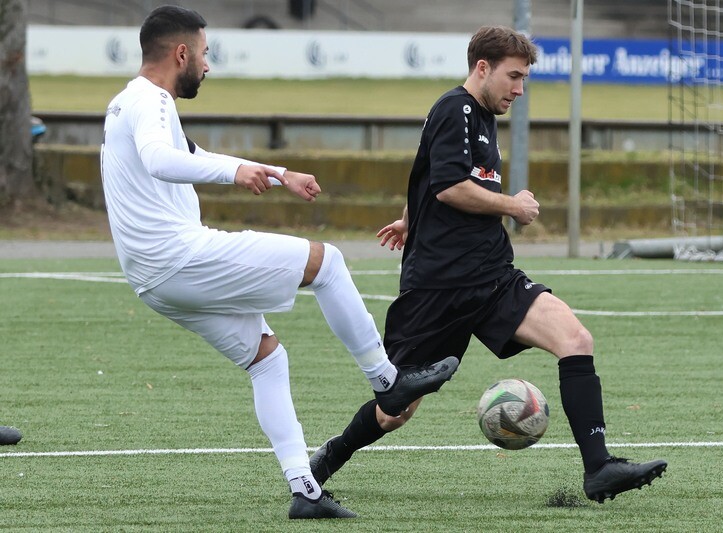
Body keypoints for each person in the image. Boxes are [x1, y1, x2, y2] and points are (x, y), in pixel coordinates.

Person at [100, 5, 458, 520]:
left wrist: (276, 171)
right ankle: (388, 380)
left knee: (267, 359)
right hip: (178, 257)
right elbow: (159, 160)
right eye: (204, 53)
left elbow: (189, 155)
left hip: (151, 279)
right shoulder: (151, 100)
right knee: (326, 262)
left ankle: (305, 491)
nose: (208, 64)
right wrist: (238, 172)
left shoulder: (125, 102)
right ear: (180, 54)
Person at [310, 25, 667, 504]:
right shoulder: (454, 108)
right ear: (483, 68)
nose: (519, 89)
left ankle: (599, 467)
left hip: (493, 277)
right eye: (513, 77)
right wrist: (512, 205)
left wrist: (410, 218)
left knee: (576, 340)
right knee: (396, 410)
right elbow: (449, 186)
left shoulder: (482, 116)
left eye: (524, 79)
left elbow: (428, 174)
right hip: (438, 287)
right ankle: (328, 458)